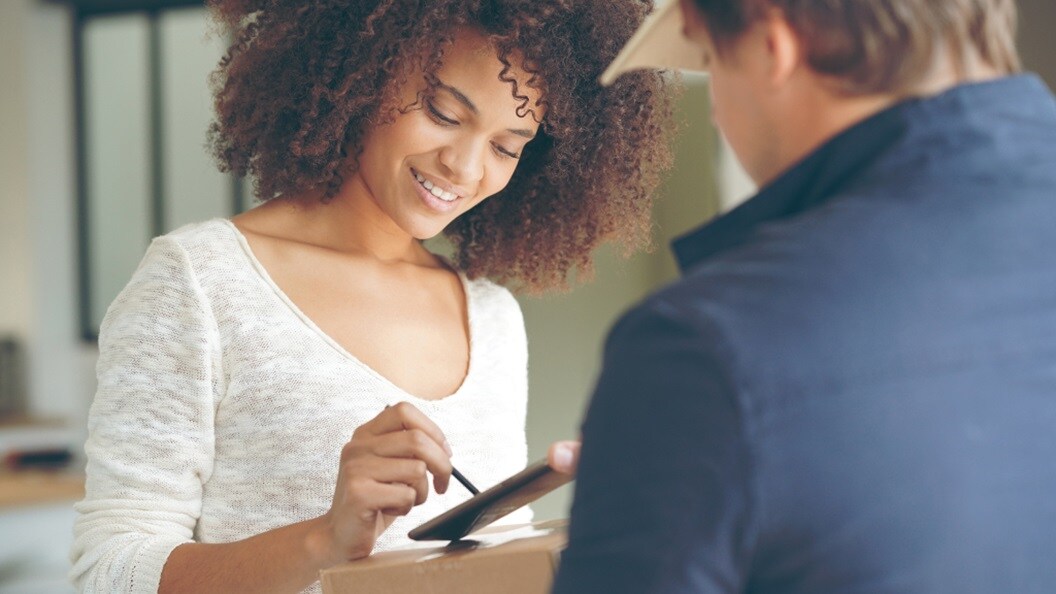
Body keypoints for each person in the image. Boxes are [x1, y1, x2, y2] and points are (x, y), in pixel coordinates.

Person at [69, 1, 675, 593]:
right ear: (364, 66)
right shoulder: (201, 281)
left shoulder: (491, 318)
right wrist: (323, 541)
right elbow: (109, 574)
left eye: (506, 147)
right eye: (443, 111)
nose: (464, 168)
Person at [554, 0, 1056, 592]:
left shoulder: (703, 350)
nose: (714, 111)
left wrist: (673, 463)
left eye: (711, 57)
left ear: (774, 48)